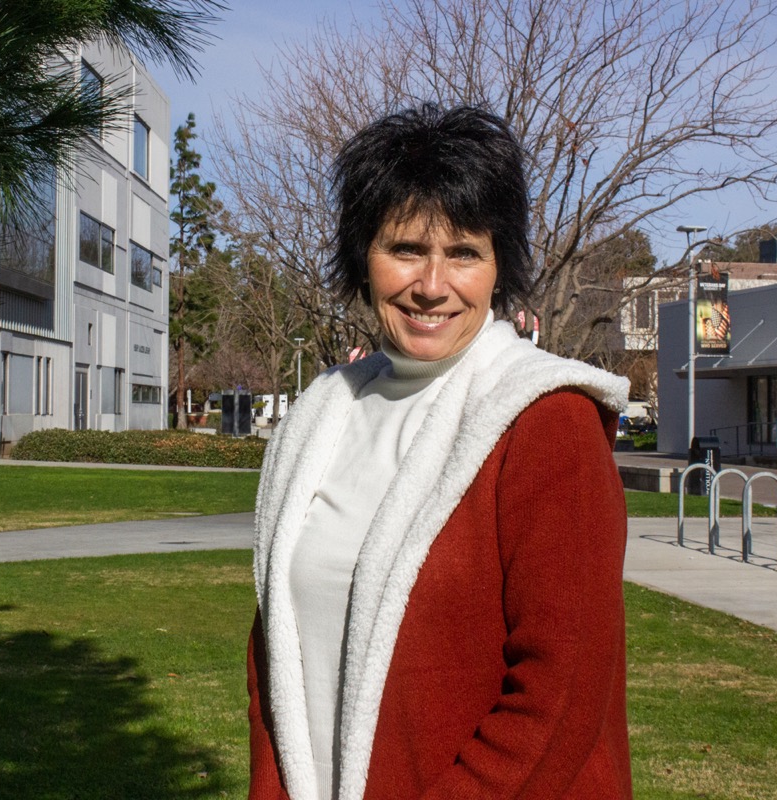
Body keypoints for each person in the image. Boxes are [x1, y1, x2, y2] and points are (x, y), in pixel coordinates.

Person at [247, 104, 633, 800]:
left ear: (499, 267)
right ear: (362, 256)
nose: (432, 284)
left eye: (463, 253)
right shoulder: (322, 417)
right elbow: (275, 662)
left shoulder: (549, 423)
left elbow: (561, 694)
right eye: (405, 249)